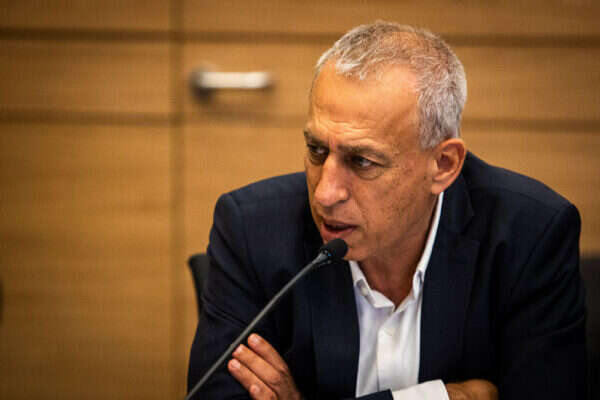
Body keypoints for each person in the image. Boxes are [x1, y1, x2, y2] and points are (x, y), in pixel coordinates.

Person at [187, 21, 586, 399]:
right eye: (316, 150)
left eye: (362, 161)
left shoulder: (530, 235)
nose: (325, 194)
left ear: (443, 165)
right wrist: (442, 396)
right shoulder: (251, 228)